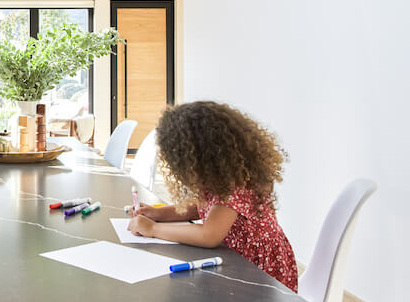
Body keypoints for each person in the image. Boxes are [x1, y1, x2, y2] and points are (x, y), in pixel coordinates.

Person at [128, 101, 298, 291]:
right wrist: (157, 214)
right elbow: (201, 208)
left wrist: (152, 228)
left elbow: (209, 235)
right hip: (234, 258)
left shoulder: (237, 184)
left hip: (258, 272)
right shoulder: (220, 177)